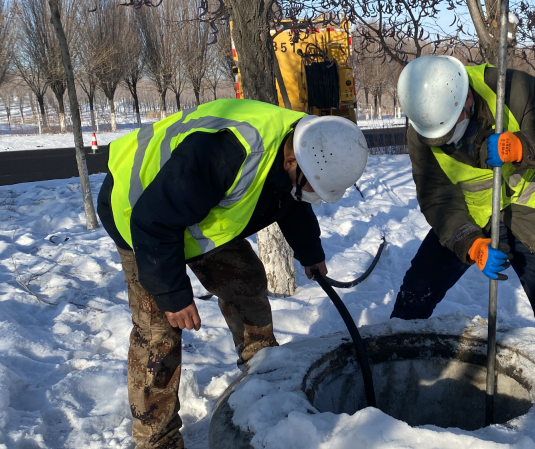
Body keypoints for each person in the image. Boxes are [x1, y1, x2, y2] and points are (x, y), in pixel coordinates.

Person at [97, 98, 369, 449]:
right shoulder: (227, 153)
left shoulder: (309, 142)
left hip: (195, 209)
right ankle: (156, 439)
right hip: (138, 213)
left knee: (245, 279)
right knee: (158, 332)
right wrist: (172, 294)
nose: (313, 194)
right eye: (313, 187)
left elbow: (290, 199)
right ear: (292, 162)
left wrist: (310, 252)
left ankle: (264, 373)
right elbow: (153, 220)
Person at [391, 55, 535, 354]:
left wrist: (523, 146)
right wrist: (470, 243)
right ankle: (392, 365)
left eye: (451, 130)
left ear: (467, 100)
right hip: (470, 216)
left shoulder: (514, 89)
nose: (447, 142)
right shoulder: (424, 127)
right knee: (415, 293)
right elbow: (437, 196)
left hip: (532, 216)